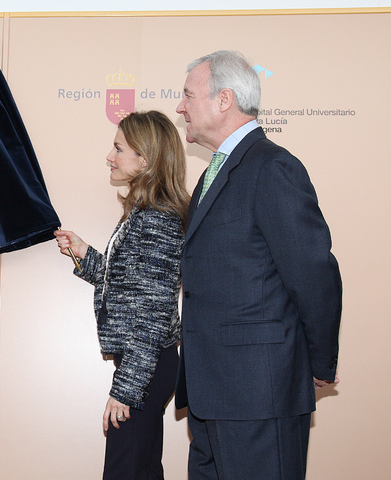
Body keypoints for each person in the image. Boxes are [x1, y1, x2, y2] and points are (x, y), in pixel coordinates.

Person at [174, 50, 342, 480]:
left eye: (188, 95)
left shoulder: (272, 167)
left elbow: (313, 273)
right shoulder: (218, 171)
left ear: (223, 99)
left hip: (259, 394)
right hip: (212, 396)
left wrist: (318, 362)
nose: (180, 107)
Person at [55, 110, 190, 480]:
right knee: (139, 469)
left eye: (118, 148)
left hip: (145, 363)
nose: (110, 157)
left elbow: (152, 310)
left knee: (126, 470)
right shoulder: (146, 213)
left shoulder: (156, 218)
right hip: (146, 362)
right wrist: (85, 254)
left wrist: (127, 389)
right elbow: (130, 287)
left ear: (144, 159)